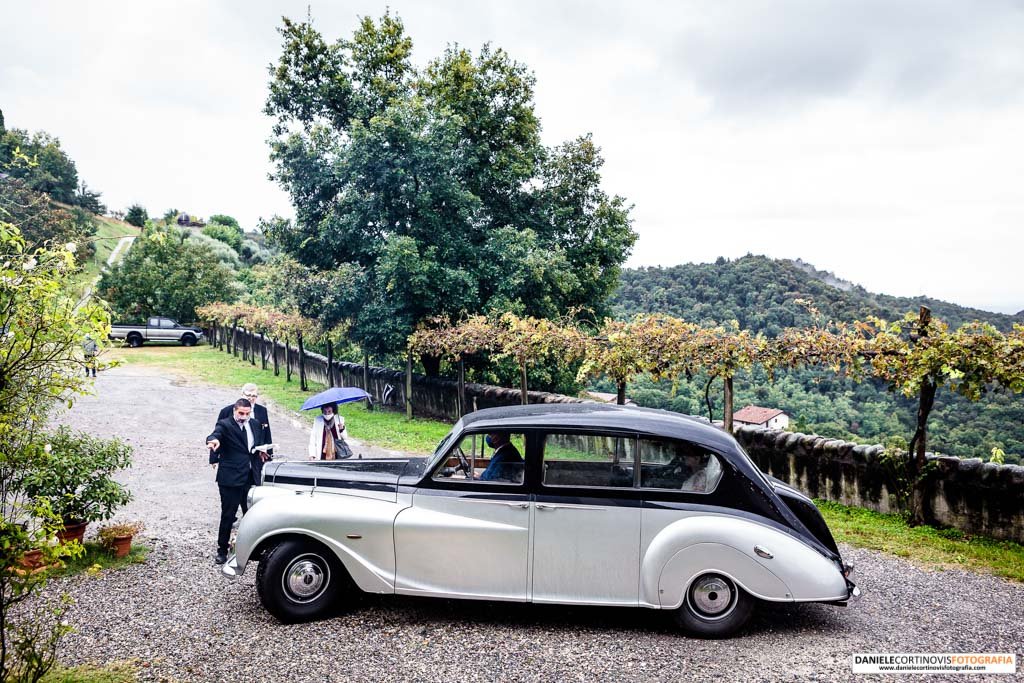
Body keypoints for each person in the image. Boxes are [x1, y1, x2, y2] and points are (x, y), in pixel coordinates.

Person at [206, 398, 269, 564]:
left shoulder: (255, 424)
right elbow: (216, 434)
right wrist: (213, 441)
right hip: (230, 479)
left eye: (247, 414)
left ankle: (252, 548)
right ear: (235, 410)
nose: (244, 417)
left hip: (250, 476)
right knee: (228, 515)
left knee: (252, 515)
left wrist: (260, 452)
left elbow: (253, 447)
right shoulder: (225, 424)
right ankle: (222, 550)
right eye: (241, 413)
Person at [217, 383, 272, 458]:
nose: (251, 398)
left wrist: (269, 454)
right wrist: (214, 459)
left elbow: (266, 432)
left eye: (254, 396)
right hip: (233, 456)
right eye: (248, 395)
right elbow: (218, 433)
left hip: (256, 456)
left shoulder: (262, 410)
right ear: (242, 394)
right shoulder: (227, 411)